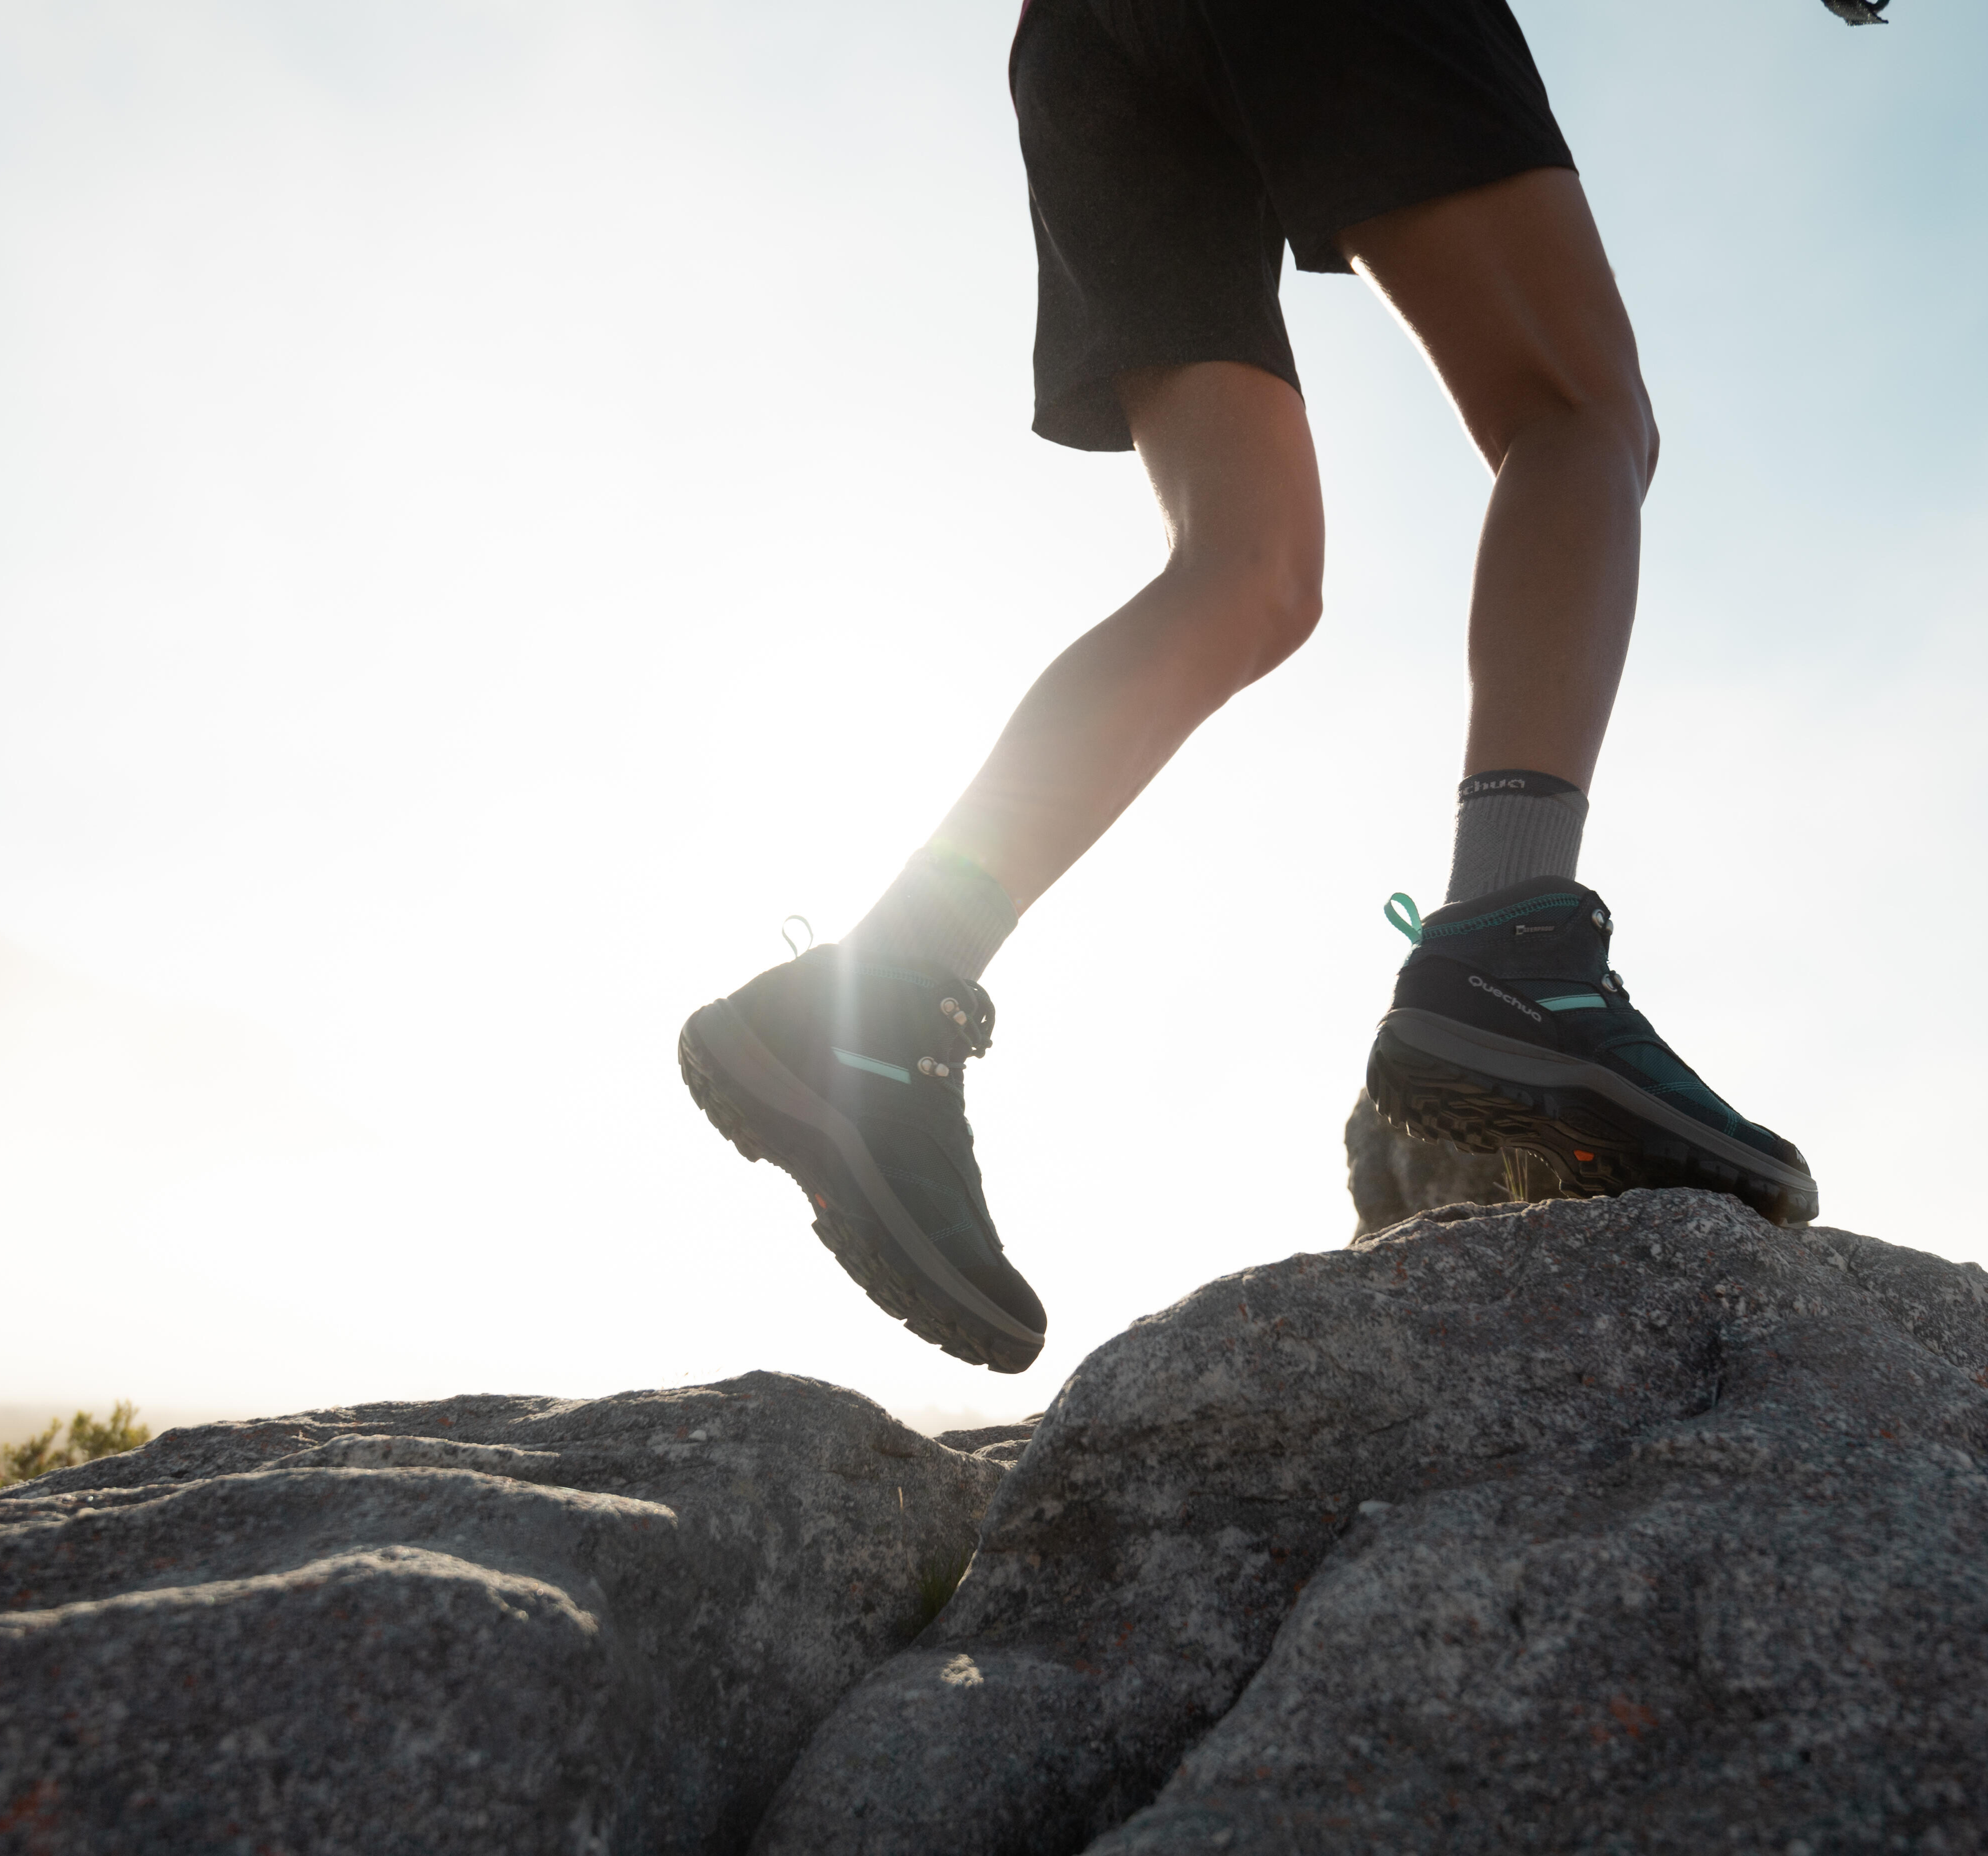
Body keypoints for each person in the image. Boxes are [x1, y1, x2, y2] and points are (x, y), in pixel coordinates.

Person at [678, 0, 1820, 1376]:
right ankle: (1515, 942)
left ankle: (870, 1003)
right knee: (1577, 413)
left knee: (1248, 571)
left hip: (1085, 37)